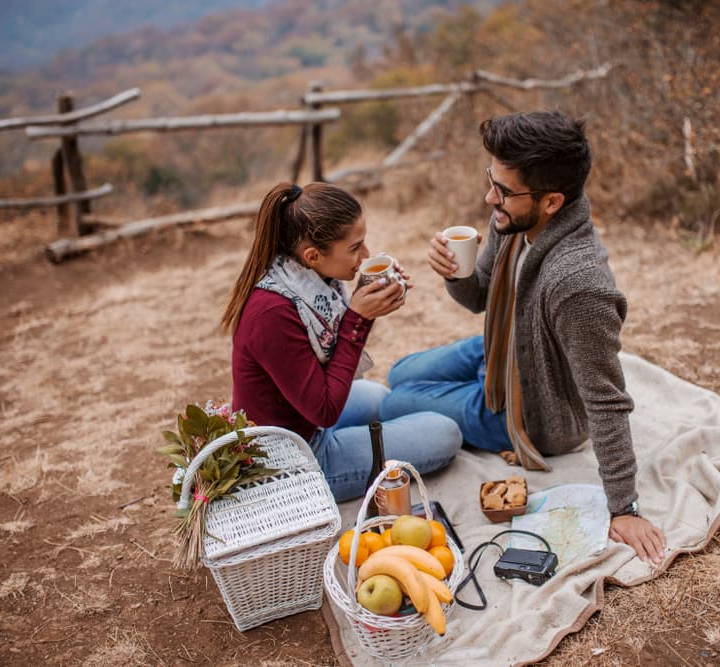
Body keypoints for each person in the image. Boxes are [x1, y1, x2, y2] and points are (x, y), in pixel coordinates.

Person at [380, 111, 666, 564]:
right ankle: (473, 386)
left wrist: (624, 508)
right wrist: (457, 273)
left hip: (534, 411)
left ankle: (477, 403)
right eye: (491, 181)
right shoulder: (515, 220)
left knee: (394, 404)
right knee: (398, 374)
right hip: (505, 352)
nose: (489, 197)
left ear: (552, 201)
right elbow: (480, 297)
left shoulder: (579, 285)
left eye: (503, 191)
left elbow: (606, 400)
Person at [221, 181, 462, 502]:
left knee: (379, 397)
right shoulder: (272, 314)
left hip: (303, 418)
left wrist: (368, 296)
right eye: (355, 248)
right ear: (312, 255)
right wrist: (358, 319)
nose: (365, 255)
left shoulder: (306, 280)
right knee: (446, 433)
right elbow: (325, 410)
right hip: (294, 457)